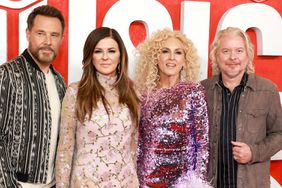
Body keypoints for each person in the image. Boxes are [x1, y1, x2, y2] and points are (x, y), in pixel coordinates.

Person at [55, 27, 140, 188]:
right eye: (98, 51)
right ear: (90, 56)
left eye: (111, 51)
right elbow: (65, 149)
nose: (105, 57)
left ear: (120, 55)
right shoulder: (76, 92)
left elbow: (133, 145)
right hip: (86, 183)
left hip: (125, 182)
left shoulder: (132, 92)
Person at [201, 27, 282, 188]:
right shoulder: (202, 91)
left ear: (248, 55)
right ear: (215, 56)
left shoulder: (267, 90)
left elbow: (279, 133)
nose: (233, 57)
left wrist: (254, 152)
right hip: (210, 183)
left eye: (239, 51)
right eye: (225, 51)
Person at [0, 5, 66, 188]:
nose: (48, 41)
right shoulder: (7, 75)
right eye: (40, 33)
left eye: (54, 35)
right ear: (28, 34)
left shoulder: (59, 81)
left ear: (62, 38)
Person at [135, 28, 210, 187]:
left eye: (178, 53)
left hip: (182, 179)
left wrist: (197, 181)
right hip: (148, 177)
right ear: (155, 57)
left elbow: (202, 143)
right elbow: (138, 143)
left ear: (185, 60)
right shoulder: (143, 96)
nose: (171, 58)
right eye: (165, 51)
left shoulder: (193, 92)